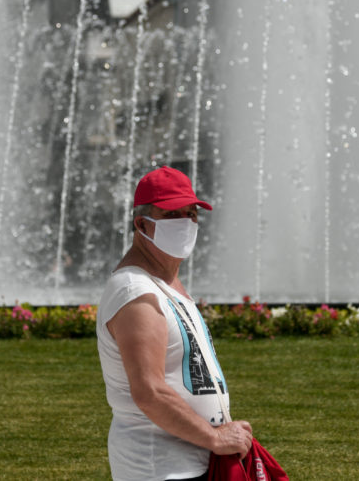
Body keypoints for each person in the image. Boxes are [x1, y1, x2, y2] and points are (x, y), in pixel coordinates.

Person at [97, 166, 253, 481]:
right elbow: (149, 391)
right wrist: (215, 438)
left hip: (188, 461)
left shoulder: (163, 285)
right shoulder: (135, 291)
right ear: (142, 224)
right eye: (172, 216)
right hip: (160, 468)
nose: (186, 223)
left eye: (191, 214)